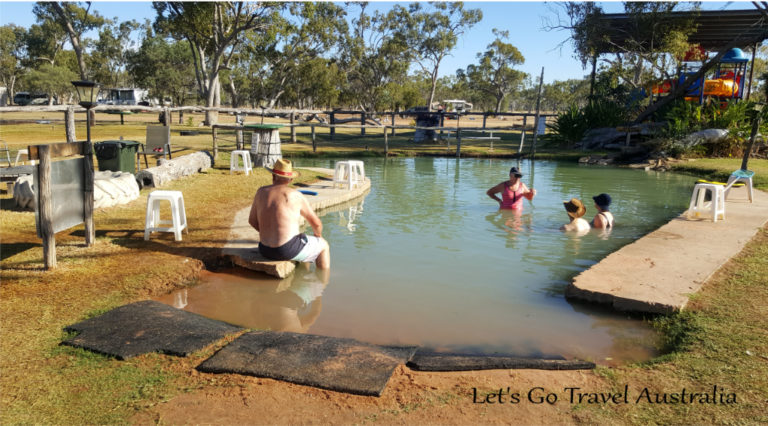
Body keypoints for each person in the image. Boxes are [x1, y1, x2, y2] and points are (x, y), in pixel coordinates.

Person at [248, 159, 330, 268]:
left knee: (303, 240)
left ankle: (304, 270)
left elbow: (252, 221)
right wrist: (318, 236)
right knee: (323, 246)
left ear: (273, 176)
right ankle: (323, 282)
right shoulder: (295, 195)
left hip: (264, 249)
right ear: (290, 180)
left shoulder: (260, 192)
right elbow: (317, 224)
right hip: (286, 250)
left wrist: (268, 233)